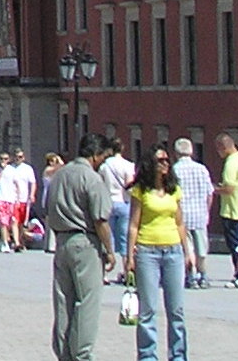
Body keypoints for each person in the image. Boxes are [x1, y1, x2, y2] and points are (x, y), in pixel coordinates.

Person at [46, 133, 115, 361]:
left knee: (63, 300)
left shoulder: (59, 175)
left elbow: (48, 208)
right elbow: (100, 219)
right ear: (95, 155)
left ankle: (64, 352)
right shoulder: (91, 178)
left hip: (61, 241)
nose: (104, 162)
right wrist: (109, 250)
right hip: (85, 242)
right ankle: (82, 353)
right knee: (88, 301)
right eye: (103, 157)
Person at [125, 145, 193, 361]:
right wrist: (129, 256)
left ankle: (178, 356)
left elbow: (180, 222)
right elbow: (133, 224)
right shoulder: (140, 191)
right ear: (150, 164)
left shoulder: (174, 189)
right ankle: (147, 356)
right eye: (160, 160)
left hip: (173, 251)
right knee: (148, 310)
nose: (165, 164)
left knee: (176, 310)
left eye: (166, 160)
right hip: (147, 251)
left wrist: (187, 251)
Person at [170, 139, 213, 290]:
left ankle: (191, 275)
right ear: (191, 151)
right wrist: (207, 210)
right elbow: (209, 193)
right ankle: (203, 274)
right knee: (201, 248)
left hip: (182, 215)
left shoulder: (174, 170)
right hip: (200, 214)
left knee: (187, 248)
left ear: (176, 153)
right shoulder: (202, 169)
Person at [98, 139, 136, 282]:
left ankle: (104, 274)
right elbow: (129, 185)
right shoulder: (128, 165)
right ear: (123, 149)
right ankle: (127, 272)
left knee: (107, 238)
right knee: (125, 239)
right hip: (123, 202)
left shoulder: (104, 166)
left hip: (108, 202)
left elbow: (100, 184)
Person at [214, 132, 238, 287]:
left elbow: (229, 188)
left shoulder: (230, 164)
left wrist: (214, 189)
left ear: (223, 147)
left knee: (235, 245)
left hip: (231, 210)